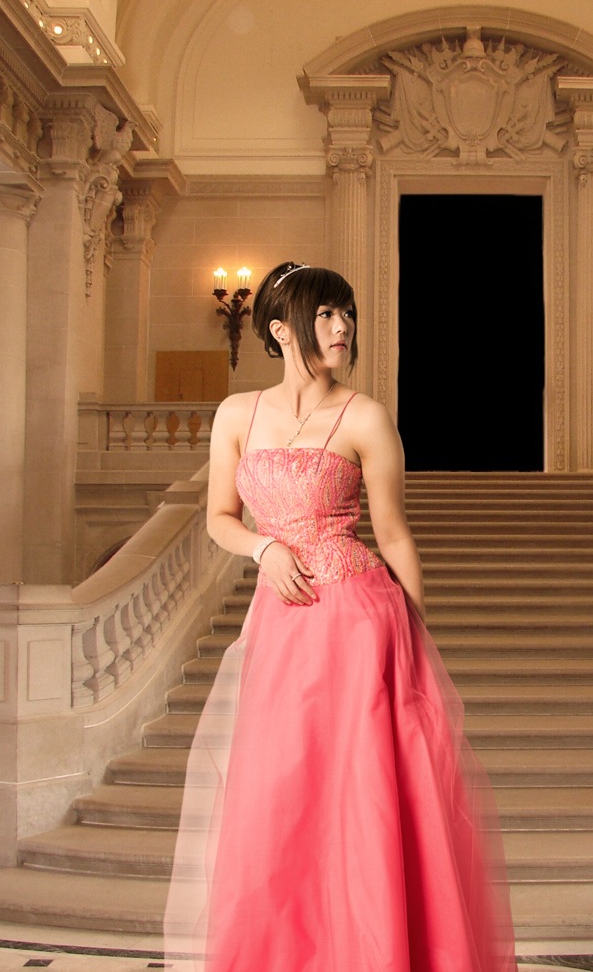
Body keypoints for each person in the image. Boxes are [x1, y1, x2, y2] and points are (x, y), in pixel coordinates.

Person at [163, 262, 517, 971]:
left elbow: (394, 536)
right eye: (326, 314)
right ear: (279, 327)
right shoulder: (237, 415)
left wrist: (417, 643)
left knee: (365, 802)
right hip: (281, 627)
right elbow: (219, 520)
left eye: (347, 314)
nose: (343, 327)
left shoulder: (364, 416)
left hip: (360, 623)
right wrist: (264, 549)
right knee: (281, 798)